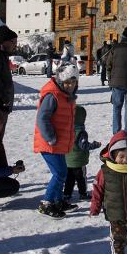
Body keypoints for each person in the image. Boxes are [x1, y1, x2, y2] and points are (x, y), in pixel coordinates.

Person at [34, 63, 80, 218]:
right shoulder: (52, 96)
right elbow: (42, 119)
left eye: (73, 82)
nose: (70, 85)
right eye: (67, 82)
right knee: (60, 173)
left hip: (58, 143)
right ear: (60, 81)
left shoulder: (66, 97)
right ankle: (46, 203)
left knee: (62, 172)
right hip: (49, 143)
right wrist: (51, 137)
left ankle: (58, 200)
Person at [63, 105, 101, 202]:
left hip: (68, 160)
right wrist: (95, 145)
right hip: (79, 162)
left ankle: (67, 194)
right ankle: (83, 193)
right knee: (81, 178)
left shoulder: (66, 129)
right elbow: (84, 145)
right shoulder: (80, 132)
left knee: (69, 178)